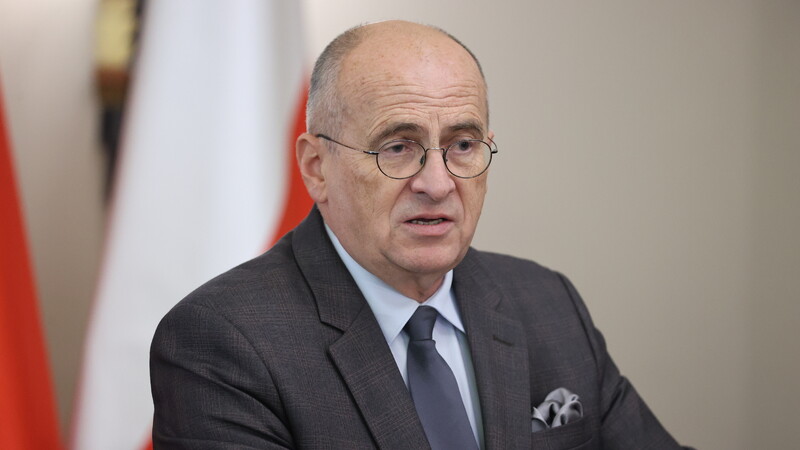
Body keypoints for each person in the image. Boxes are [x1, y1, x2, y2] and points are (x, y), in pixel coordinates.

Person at [150, 20, 692, 449]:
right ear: (316, 167)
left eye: (463, 145)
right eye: (397, 147)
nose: (437, 184)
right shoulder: (221, 343)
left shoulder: (548, 303)